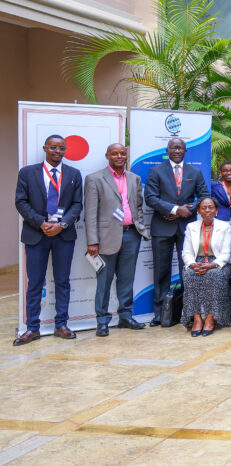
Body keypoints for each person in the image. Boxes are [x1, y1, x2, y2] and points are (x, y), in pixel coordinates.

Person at [14, 134, 84, 345]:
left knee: (63, 281)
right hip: (36, 235)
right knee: (35, 283)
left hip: (63, 235)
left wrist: (61, 225)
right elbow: (21, 202)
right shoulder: (27, 172)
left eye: (61, 148)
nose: (57, 151)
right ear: (45, 148)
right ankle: (32, 328)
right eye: (53, 147)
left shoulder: (73, 174)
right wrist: (41, 223)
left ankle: (61, 324)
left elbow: (77, 205)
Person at [84, 143, 149, 337]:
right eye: (115, 153)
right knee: (104, 280)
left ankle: (125, 316)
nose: (119, 156)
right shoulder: (95, 179)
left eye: (122, 153)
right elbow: (90, 212)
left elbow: (137, 206)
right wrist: (92, 241)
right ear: (107, 156)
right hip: (105, 238)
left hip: (131, 234)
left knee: (127, 279)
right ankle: (102, 321)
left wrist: (140, 227)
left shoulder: (134, 178)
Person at [144, 137, 209, 327]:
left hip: (186, 228)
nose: (177, 151)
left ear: (186, 151)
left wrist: (188, 208)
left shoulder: (194, 172)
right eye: (174, 148)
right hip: (162, 226)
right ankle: (160, 314)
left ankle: (187, 312)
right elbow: (150, 197)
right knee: (161, 271)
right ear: (168, 150)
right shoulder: (156, 171)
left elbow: (204, 196)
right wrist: (174, 209)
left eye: (181, 148)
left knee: (187, 270)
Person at [181, 197, 231, 336]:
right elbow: (186, 252)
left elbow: (226, 253)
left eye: (211, 207)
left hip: (217, 262)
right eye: (204, 208)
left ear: (216, 210)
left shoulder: (224, 226)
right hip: (196, 261)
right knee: (189, 276)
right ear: (198, 211)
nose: (207, 210)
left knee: (214, 275)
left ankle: (210, 318)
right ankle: (197, 318)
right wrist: (192, 265)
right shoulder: (191, 227)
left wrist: (210, 265)